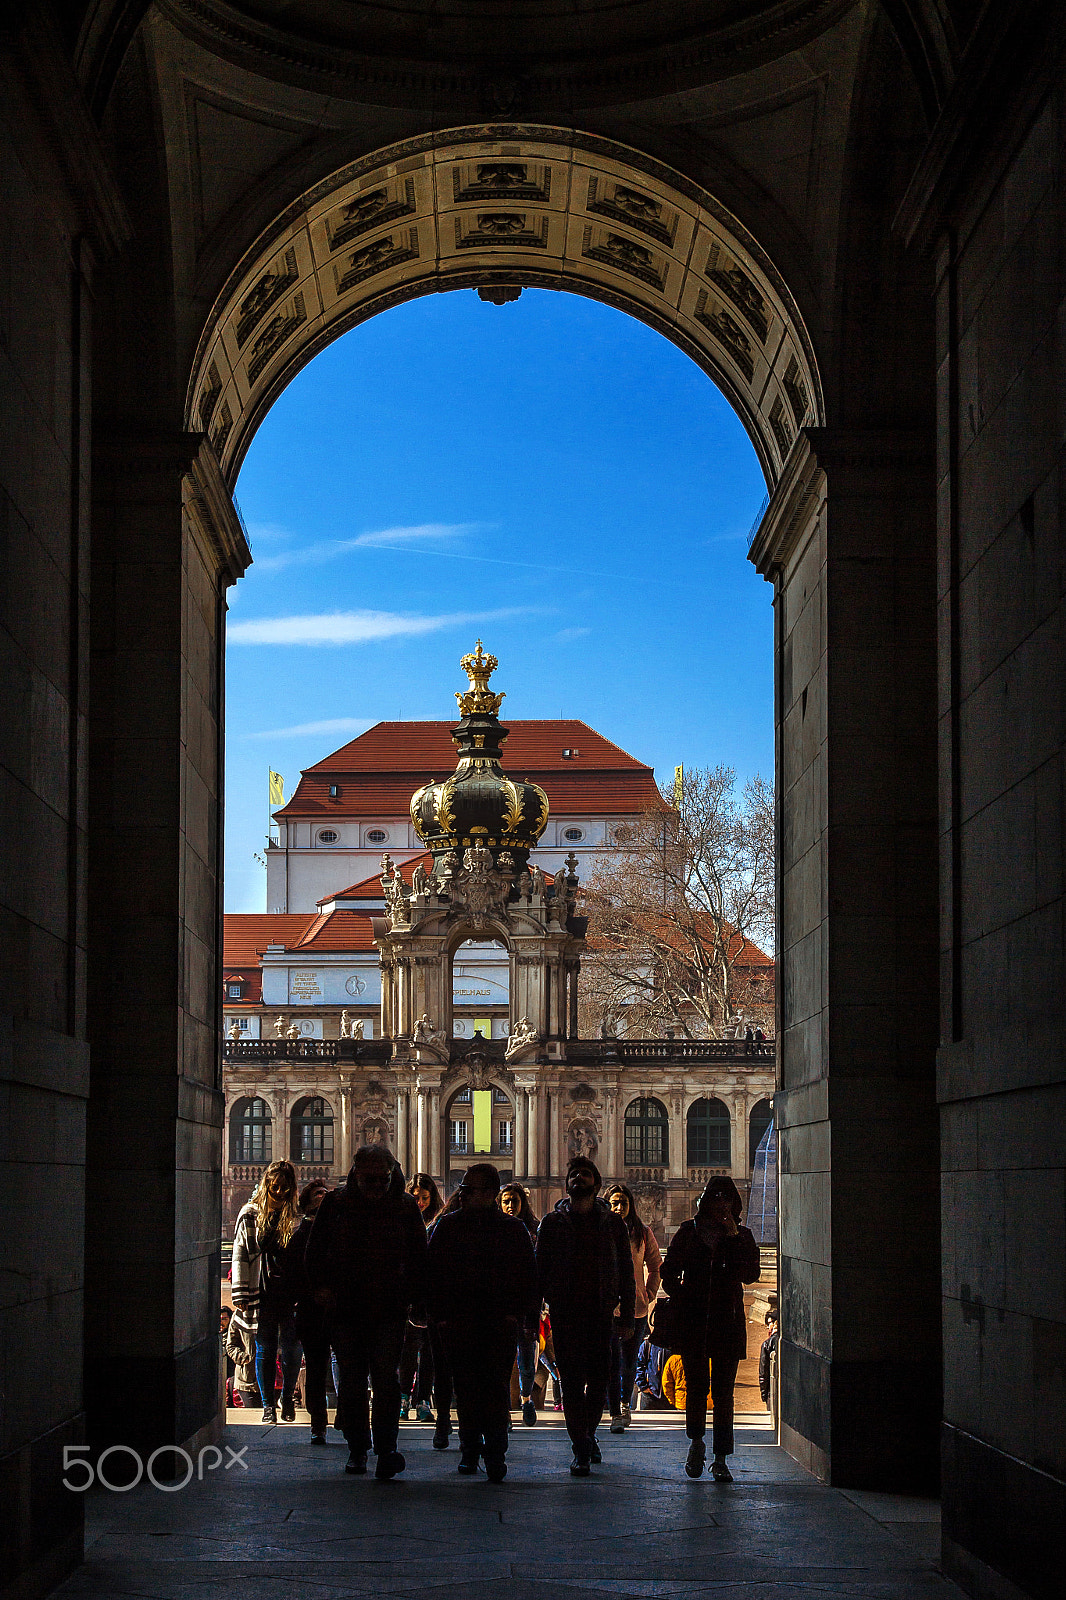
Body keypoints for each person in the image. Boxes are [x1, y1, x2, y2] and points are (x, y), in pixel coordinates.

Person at [304, 1144, 428, 1478]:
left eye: (381, 1180)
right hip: (347, 1306)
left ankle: (386, 1447)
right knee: (353, 1379)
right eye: (369, 1179)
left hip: (389, 1308)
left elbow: (419, 1257)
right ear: (356, 1175)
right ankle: (358, 1447)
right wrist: (321, 1287)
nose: (375, 1187)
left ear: (392, 1176)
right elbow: (314, 1251)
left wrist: (417, 1299)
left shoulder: (404, 1206)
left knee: (386, 1380)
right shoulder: (336, 1204)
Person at [427, 1163, 538, 1481]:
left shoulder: (512, 1229)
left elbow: (528, 1277)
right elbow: (433, 1274)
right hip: (459, 1321)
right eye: (462, 1188)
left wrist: (523, 1316)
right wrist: (440, 1317)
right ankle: (470, 1449)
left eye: (469, 1189)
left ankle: (495, 1452)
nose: (462, 1194)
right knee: (466, 1388)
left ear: (490, 1193)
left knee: (495, 1387)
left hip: (497, 1323)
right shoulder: (448, 1227)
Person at [535, 1155, 635, 1475]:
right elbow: (540, 1271)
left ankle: (587, 1434)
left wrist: (627, 1314)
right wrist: (534, 1311)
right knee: (573, 1383)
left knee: (600, 1380)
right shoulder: (551, 1223)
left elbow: (627, 1272)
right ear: (566, 1185)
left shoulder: (613, 1224)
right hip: (565, 1313)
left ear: (597, 1184)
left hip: (601, 1312)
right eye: (574, 1174)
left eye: (585, 1174)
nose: (578, 1178)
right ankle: (580, 1446)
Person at [661, 1175, 761, 1481]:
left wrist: (733, 1241)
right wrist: (684, 1298)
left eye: (726, 1199)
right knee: (695, 1388)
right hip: (694, 1322)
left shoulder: (741, 1236)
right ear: (705, 1202)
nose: (721, 1205)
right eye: (715, 1198)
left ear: (734, 1204)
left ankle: (721, 1457)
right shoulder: (688, 1232)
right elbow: (668, 1272)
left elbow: (750, 1274)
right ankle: (697, 1442)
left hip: (727, 1321)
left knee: (723, 1393)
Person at [232, 1160, 303, 1424]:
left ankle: (286, 1395)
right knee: (265, 1347)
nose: (280, 1194)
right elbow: (240, 1253)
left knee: (293, 1348)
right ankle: (267, 1406)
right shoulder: (250, 1213)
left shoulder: (295, 1215)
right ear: (267, 1186)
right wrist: (239, 1293)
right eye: (275, 1189)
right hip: (261, 1290)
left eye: (285, 1190)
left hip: (290, 1291)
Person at [604, 1183, 662, 1431]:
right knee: (608, 1360)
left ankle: (623, 1404)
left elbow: (656, 1265)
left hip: (636, 1308)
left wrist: (649, 1293)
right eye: (614, 1203)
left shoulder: (642, 1232)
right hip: (606, 1308)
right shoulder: (600, 1230)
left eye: (623, 1203)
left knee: (628, 1361)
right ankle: (611, 1407)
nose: (618, 1208)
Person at [399, 1173, 444, 1423]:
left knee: (429, 1350)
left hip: (431, 1293)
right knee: (408, 1347)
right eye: (416, 1197)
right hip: (409, 1292)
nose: (420, 1202)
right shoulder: (403, 1218)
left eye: (425, 1198)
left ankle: (424, 1399)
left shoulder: (438, 1220)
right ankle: (404, 1397)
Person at [290, 1178, 331, 1442]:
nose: (324, 1195)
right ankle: (318, 1422)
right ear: (307, 1203)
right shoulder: (300, 1236)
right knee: (316, 1369)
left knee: (346, 1367)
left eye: (326, 1192)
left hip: (337, 1309)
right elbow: (293, 1276)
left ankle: (346, 1414)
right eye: (318, 1193)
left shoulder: (338, 1232)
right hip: (311, 1310)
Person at [498, 1183, 541, 1424]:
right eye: (506, 1201)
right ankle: (503, 1408)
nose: (510, 1205)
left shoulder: (534, 1230)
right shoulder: (494, 1229)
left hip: (525, 1305)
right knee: (502, 1359)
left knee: (526, 1358)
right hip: (501, 1305)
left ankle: (526, 1398)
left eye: (514, 1200)